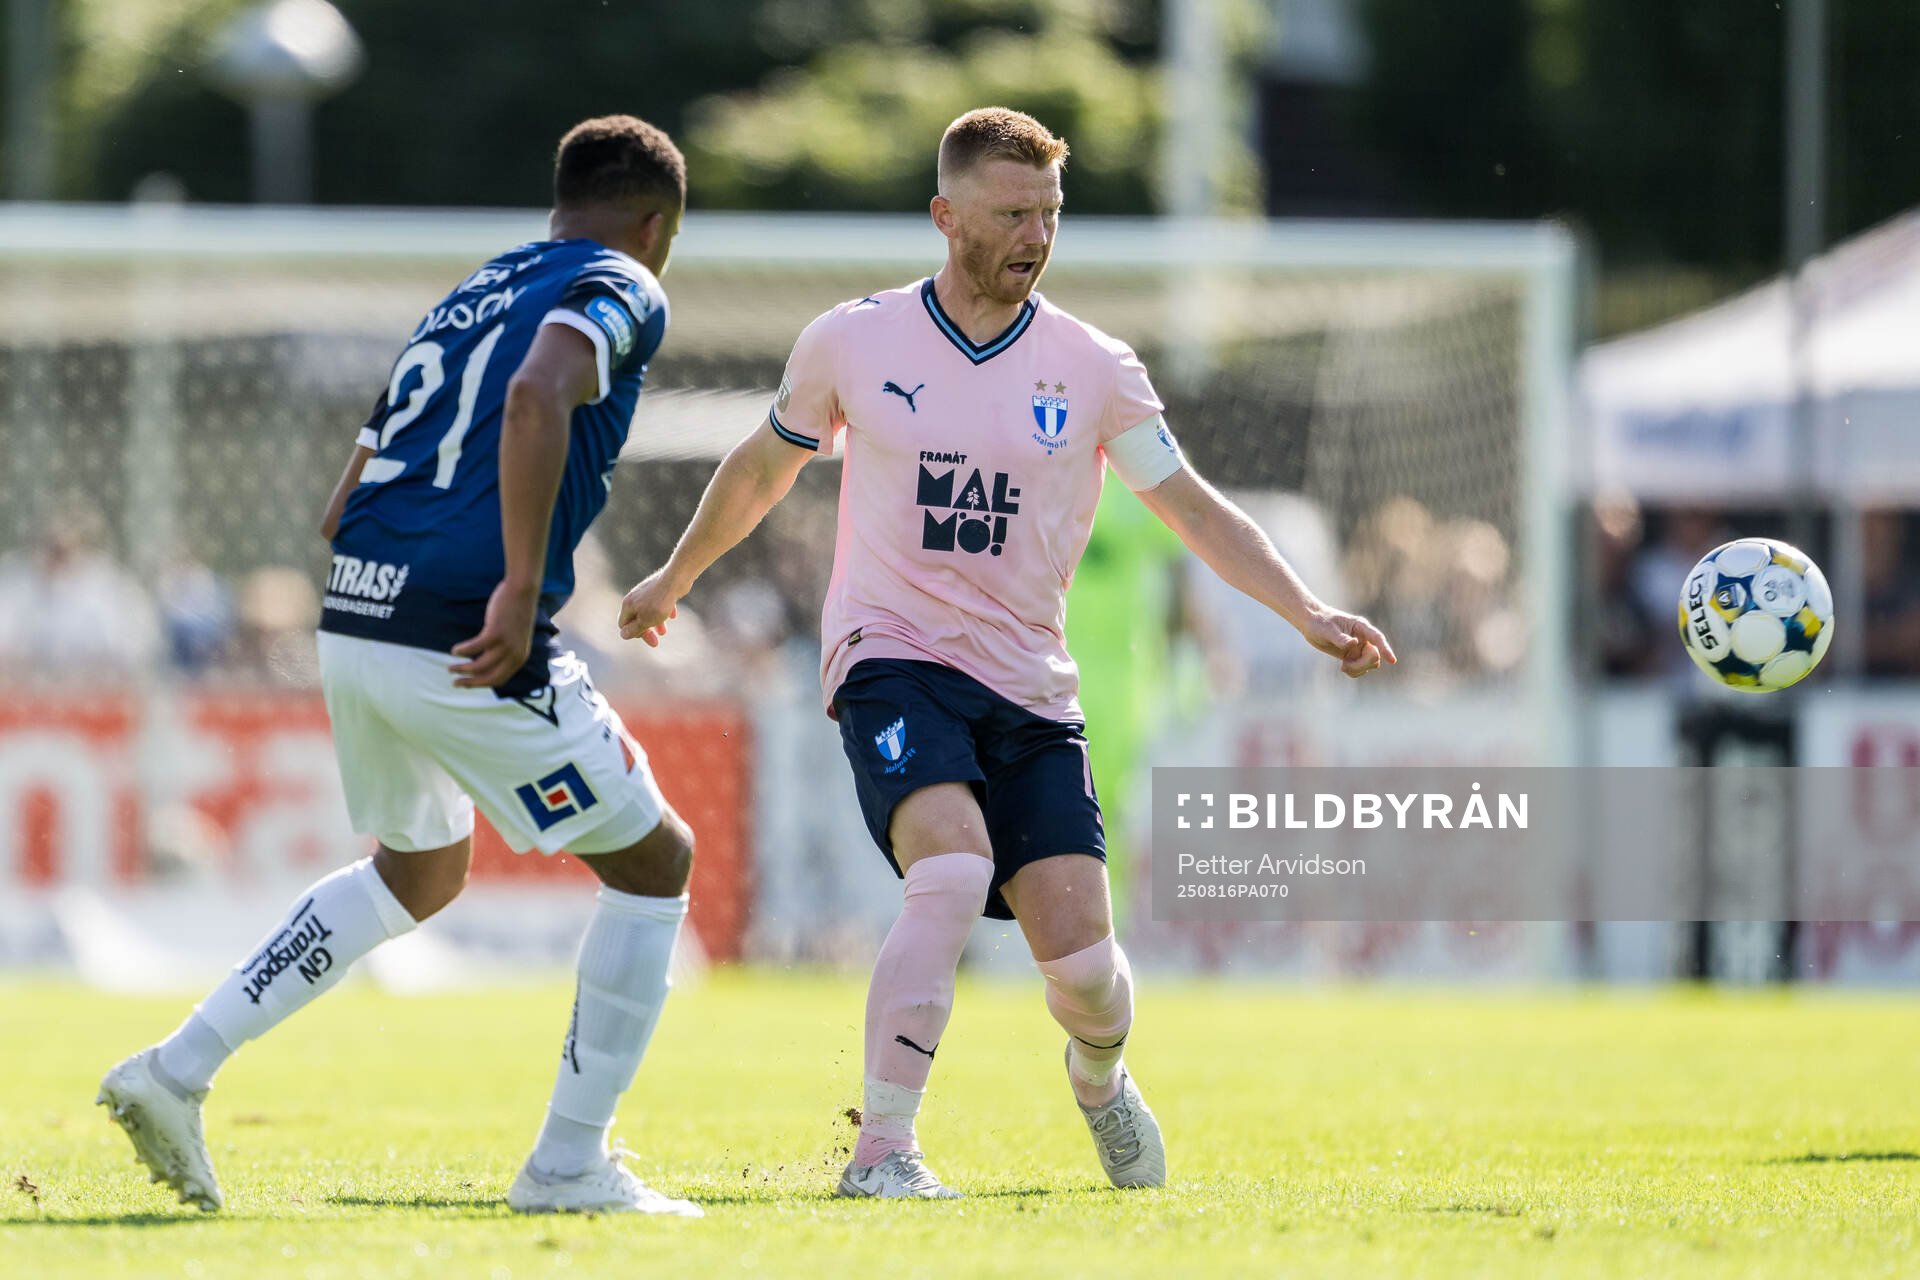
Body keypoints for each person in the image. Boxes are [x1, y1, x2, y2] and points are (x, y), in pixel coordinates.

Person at [619, 107, 1394, 1199]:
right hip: (888, 654)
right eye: (1012, 212)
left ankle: (1099, 1077)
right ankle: (883, 1148)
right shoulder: (853, 338)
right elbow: (761, 466)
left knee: (1088, 977)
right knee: (951, 866)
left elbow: (1194, 508)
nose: (1036, 235)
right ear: (946, 215)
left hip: (1030, 686)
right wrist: (675, 574)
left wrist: (1304, 608)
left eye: (1050, 214)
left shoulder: (1094, 365)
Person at [97, 115, 703, 1218]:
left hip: (358, 608)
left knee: (418, 870)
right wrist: (520, 587)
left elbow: (349, 487)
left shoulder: (472, 291)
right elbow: (538, 394)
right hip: (460, 626)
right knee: (657, 861)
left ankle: (174, 1069)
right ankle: (569, 1161)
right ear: (658, 222)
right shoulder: (622, 278)